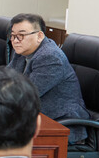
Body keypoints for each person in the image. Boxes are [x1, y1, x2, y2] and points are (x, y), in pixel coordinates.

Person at [8, 13, 90, 142]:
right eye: (13, 35)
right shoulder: (22, 51)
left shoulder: (50, 57)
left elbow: (26, 94)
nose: (15, 40)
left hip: (58, 123)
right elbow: (5, 77)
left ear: (39, 36)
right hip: (34, 114)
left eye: (21, 35)